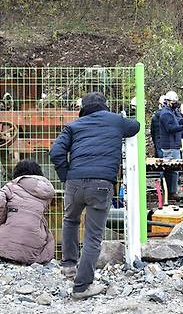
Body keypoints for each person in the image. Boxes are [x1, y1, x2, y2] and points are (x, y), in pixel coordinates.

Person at [49, 92, 140, 299]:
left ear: (84, 108)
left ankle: (69, 265)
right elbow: (135, 127)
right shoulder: (116, 121)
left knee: (70, 220)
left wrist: (66, 175)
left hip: (74, 182)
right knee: (93, 236)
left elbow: (55, 152)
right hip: (101, 183)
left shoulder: (74, 126)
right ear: (104, 106)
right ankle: (82, 287)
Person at [0, 160, 55, 264]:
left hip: (4, 251)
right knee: (46, 232)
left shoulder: (11, 186)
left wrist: (0, 221)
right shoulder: (46, 190)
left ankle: (8, 252)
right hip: (33, 243)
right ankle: (35, 258)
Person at [159, 91, 183, 199]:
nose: (175, 103)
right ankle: (170, 193)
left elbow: (174, 123)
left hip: (173, 145)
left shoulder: (170, 112)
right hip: (170, 146)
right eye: (173, 101)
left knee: (173, 171)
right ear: (168, 101)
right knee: (171, 171)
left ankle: (170, 192)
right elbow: (170, 128)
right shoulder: (166, 113)